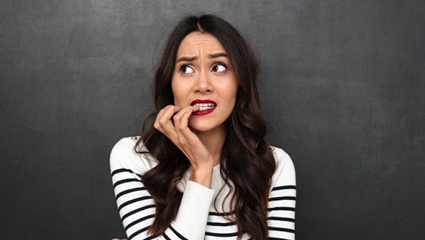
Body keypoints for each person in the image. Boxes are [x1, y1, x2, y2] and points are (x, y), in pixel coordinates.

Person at [110, 14, 296, 240]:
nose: (203, 85)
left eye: (218, 67)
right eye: (187, 69)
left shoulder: (273, 166)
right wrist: (202, 168)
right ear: (170, 82)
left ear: (240, 82)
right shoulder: (134, 157)